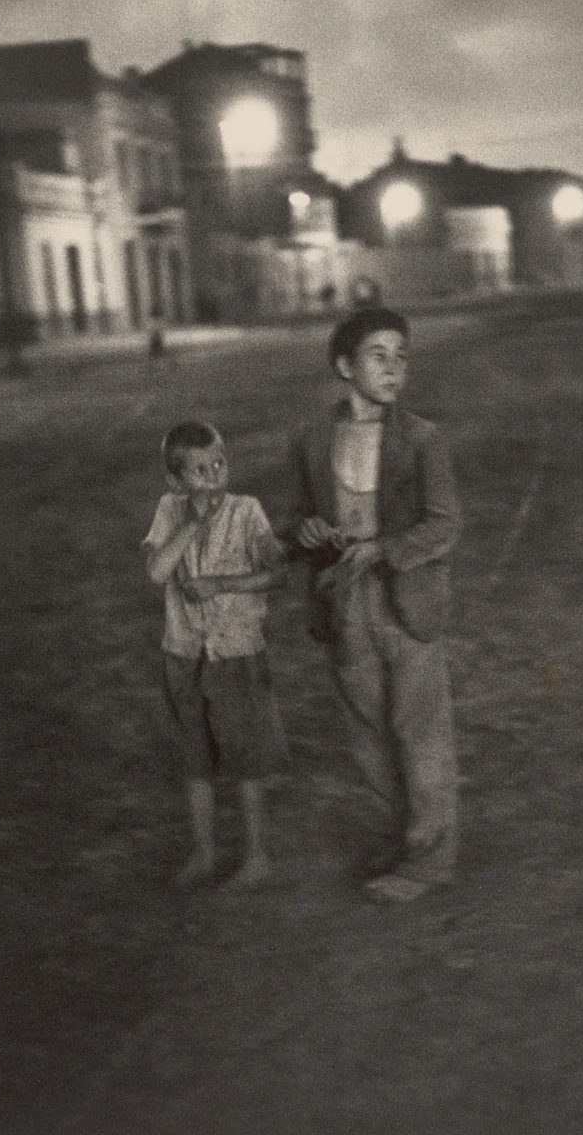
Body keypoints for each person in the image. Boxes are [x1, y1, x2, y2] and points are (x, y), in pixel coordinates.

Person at [286, 307, 462, 903]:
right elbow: (295, 521)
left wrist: (385, 549)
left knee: (419, 731)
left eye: (401, 357)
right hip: (343, 604)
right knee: (367, 736)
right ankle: (404, 841)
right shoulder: (312, 439)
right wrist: (306, 532)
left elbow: (445, 524)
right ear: (345, 367)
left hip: (406, 602)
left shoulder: (423, 439)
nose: (393, 369)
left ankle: (430, 863)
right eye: (377, 356)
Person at [144, 420, 287, 888]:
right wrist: (192, 523)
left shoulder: (247, 511)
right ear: (176, 480)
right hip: (184, 653)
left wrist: (222, 584)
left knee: (246, 757)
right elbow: (157, 571)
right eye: (200, 470)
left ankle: (257, 857)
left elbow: (278, 572)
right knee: (194, 759)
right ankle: (204, 854)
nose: (215, 476)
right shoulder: (169, 510)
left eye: (220, 464)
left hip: (237, 653)